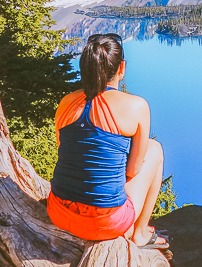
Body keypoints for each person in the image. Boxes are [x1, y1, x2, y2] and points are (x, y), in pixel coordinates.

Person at [47, 33, 168, 248]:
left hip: (58, 212)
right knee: (155, 149)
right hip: (105, 223)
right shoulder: (136, 106)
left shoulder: (67, 103)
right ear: (121, 68)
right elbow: (133, 170)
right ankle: (139, 234)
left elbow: (68, 154)